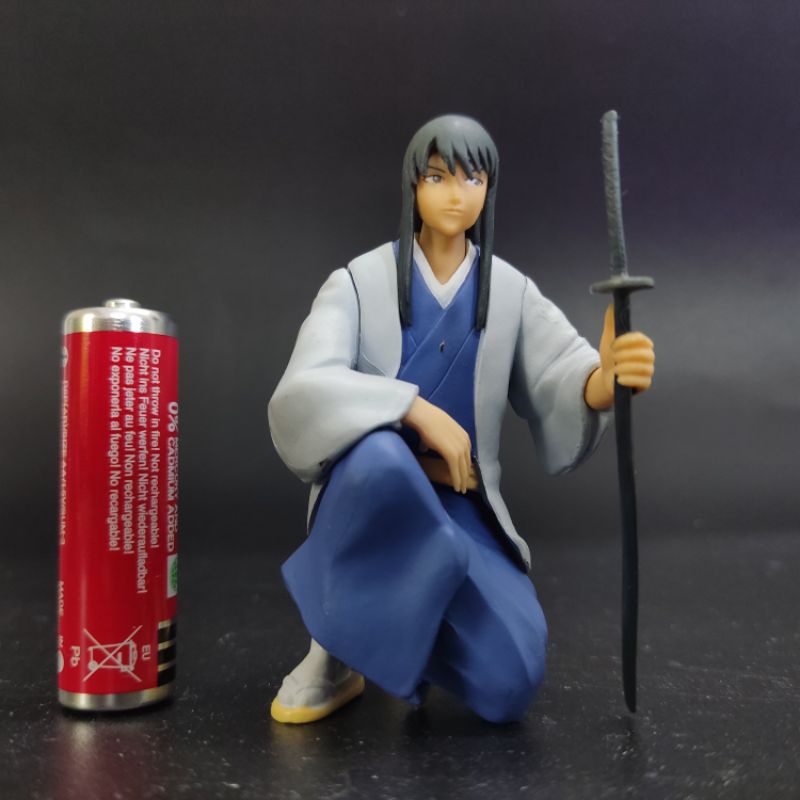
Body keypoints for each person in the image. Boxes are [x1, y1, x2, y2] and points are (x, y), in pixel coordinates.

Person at [267, 115, 655, 724]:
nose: (456, 194)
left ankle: (399, 635)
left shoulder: (510, 291)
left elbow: (562, 372)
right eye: (438, 177)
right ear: (413, 186)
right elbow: (303, 389)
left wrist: (607, 378)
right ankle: (334, 647)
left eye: (473, 179)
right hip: (375, 502)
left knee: (511, 678)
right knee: (376, 458)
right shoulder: (358, 283)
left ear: (489, 188)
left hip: (461, 506)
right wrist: (411, 408)